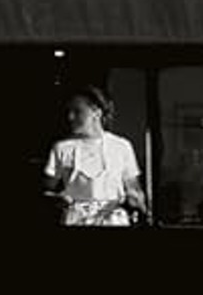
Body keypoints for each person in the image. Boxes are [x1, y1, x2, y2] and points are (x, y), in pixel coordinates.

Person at [44, 85, 148, 227]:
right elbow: (47, 190)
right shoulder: (62, 148)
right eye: (69, 112)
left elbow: (134, 189)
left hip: (113, 220)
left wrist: (136, 199)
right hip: (76, 220)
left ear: (96, 113)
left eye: (77, 111)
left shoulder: (121, 146)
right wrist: (58, 198)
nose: (71, 117)